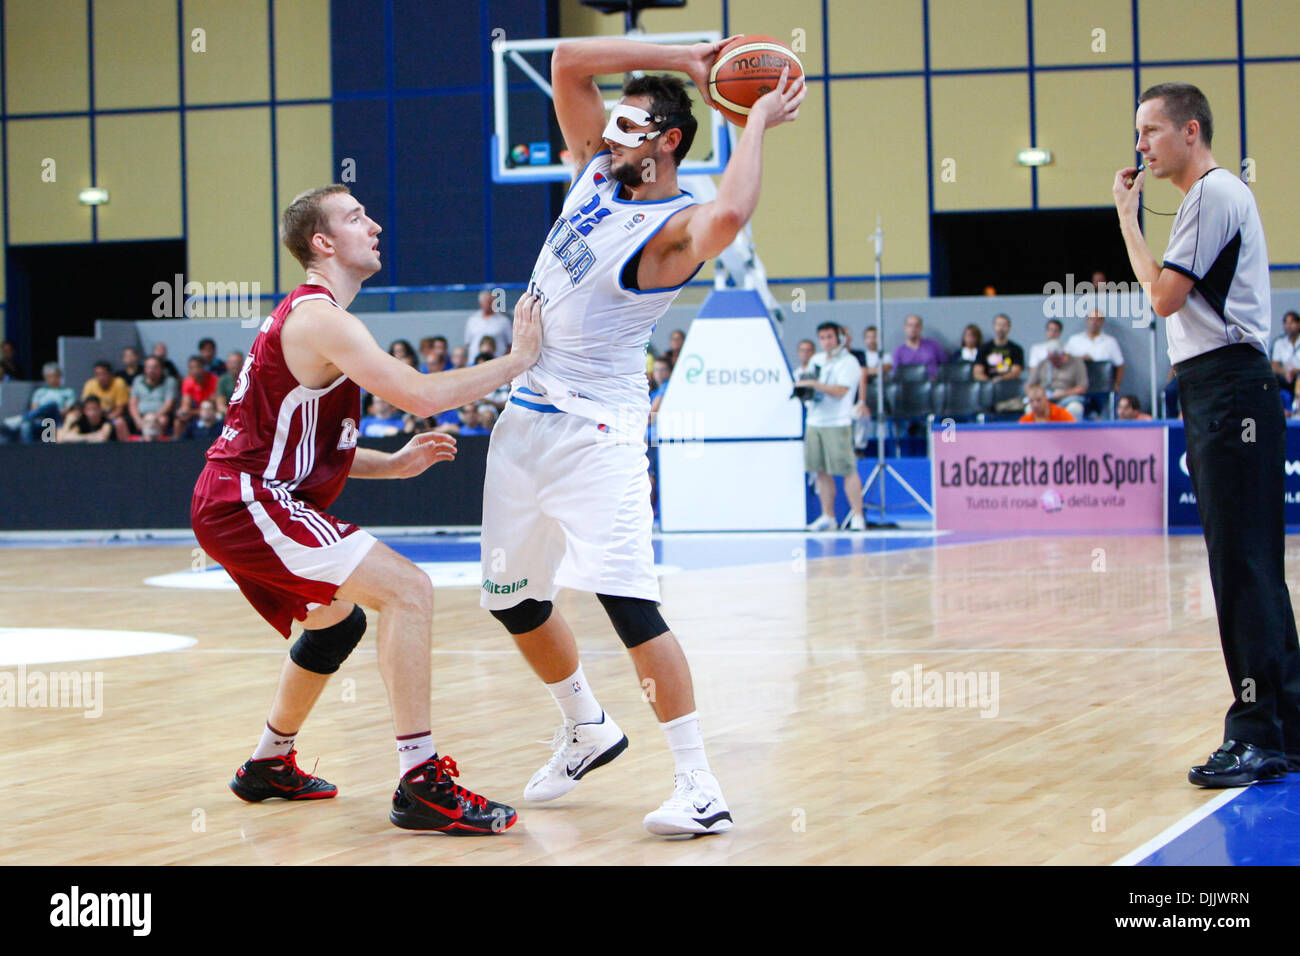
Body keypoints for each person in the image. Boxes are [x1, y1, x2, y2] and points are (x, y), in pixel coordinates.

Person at [479, 36, 804, 836]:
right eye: (613, 123)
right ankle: (586, 725)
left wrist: (753, 119)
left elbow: (731, 212)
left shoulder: (673, 226)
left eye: (632, 128)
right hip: (523, 416)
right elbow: (566, 63)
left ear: (666, 143)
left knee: (630, 606)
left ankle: (699, 783)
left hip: (597, 432)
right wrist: (691, 59)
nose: (611, 135)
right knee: (511, 599)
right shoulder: (594, 170)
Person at [191, 183, 540, 833]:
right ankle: (423, 784)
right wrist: (518, 359)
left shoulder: (320, 320)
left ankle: (269, 762)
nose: (374, 224)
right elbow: (418, 394)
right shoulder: (321, 319)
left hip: (245, 495)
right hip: (249, 499)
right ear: (322, 243)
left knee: (338, 621)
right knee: (409, 590)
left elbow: (308, 448)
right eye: (355, 218)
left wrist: (394, 462)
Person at [1115, 82, 1299, 787]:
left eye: (1151, 131)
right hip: (1226, 387)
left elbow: (1163, 296)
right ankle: (1285, 726)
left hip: (1227, 387)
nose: (1141, 145)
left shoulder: (1212, 196)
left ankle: (1256, 735)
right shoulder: (1217, 198)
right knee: (1253, 566)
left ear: (1191, 131)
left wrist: (1128, 223)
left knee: (1241, 568)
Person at [798, 322, 866, 531]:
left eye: (830, 336)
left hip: (837, 422)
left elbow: (841, 391)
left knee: (847, 469)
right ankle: (828, 516)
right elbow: (808, 385)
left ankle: (857, 516)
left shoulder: (849, 362)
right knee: (820, 470)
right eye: (822, 337)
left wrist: (816, 385)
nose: (826, 341)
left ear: (839, 338)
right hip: (814, 421)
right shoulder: (816, 360)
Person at [2, 362, 77, 443]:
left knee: (52, 404)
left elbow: (66, 411)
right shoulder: (40, 392)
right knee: (26, 426)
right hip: (41, 420)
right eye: (50, 377)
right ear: (46, 378)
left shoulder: (68, 391)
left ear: (60, 376)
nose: (53, 379)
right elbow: (34, 409)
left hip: (57, 419)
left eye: (55, 376)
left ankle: (21, 419)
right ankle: (29, 452)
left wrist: (50, 410)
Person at [1066, 309, 1126, 389]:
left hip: (1103, 385)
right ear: (1087, 320)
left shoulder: (1110, 342)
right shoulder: (1074, 340)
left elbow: (1120, 364)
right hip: (1077, 386)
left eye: (1098, 320)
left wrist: (1117, 384)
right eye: (1092, 319)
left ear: (1102, 322)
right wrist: (1080, 359)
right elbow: (1065, 361)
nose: (1094, 322)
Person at [1025, 348, 1087, 420]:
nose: (1054, 362)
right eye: (1052, 359)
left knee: (1075, 408)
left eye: (1057, 359)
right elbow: (1028, 387)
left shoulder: (1077, 363)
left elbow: (1082, 388)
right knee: (1029, 408)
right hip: (1045, 398)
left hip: (1068, 397)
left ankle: (1075, 431)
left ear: (1064, 356)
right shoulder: (1043, 363)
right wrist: (1039, 396)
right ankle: (1036, 431)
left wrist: (1063, 393)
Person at [80, 361, 132, 440]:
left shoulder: (119, 383)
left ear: (110, 374)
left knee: (119, 422)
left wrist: (106, 420)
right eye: (97, 374)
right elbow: (86, 405)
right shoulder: (90, 384)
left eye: (103, 374)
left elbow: (120, 409)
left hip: (112, 418)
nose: (101, 377)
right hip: (95, 417)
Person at [174, 355, 219, 438]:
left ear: (204, 367)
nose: (195, 371)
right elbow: (186, 405)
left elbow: (213, 405)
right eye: (192, 368)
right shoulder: (187, 381)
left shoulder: (214, 379)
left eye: (198, 367)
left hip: (212, 412)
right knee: (179, 421)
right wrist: (184, 412)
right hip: (196, 413)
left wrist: (192, 412)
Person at [972, 314, 1024, 382]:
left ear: (1009, 327)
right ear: (994, 326)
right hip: (986, 385)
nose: (1001, 328)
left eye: (1004, 325)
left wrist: (1000, 379)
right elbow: (977, 372)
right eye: (999, 325)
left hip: (1008, 385)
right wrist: (990, 382)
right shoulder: (984, 348)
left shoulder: (1016, 349)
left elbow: (1015, 372)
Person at [891, 314, 946, 379]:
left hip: (933, 384)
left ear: (921, 328)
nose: (913, 329)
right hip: (909, 385)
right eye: (910, 325)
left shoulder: (933, 345)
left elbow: (945, 365)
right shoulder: (899, 351)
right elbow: (896, 374)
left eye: (917, 326)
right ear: (905, 328)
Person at [464, 290, 512, 359]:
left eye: (490, 302)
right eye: (486, 302)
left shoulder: (504, 321)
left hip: (497, 362)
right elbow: (468, 343)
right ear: (480, 303)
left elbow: (510, 344)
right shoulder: (472, 320)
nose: (488, 304)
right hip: (475, 362)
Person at [1270, 310, 1300, 400]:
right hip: (1284, 376)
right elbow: (1274, 367)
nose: (1288, 326)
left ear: (1298, 324)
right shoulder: (1279, 342)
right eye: (1286, 323)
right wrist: (1285, 372)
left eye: (1292, 323)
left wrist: (1296, 371)